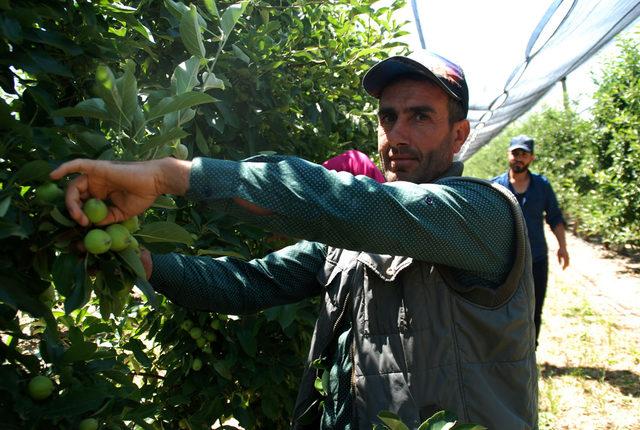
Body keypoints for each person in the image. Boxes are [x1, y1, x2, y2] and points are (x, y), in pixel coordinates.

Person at [51, 51, 538, 429]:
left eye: (420, 117)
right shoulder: (354, 237)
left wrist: (170, 176)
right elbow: (251, 284)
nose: (397, 134)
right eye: (388, 117)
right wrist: (144, 263)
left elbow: (349, 203)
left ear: (459, 136)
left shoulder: (482, 213)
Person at [492, 135, 570, 345]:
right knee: (504, 307)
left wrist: (562, 247)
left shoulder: (542, 186)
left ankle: (529, 349)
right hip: (504, 261)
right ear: (508, 155)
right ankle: (506, 350)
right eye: (515, 153)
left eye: (524, 154)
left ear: (532, 158)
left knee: (534, 307)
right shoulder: (496, 187)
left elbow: (554, 217)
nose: (519, 158)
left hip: (536, 258)